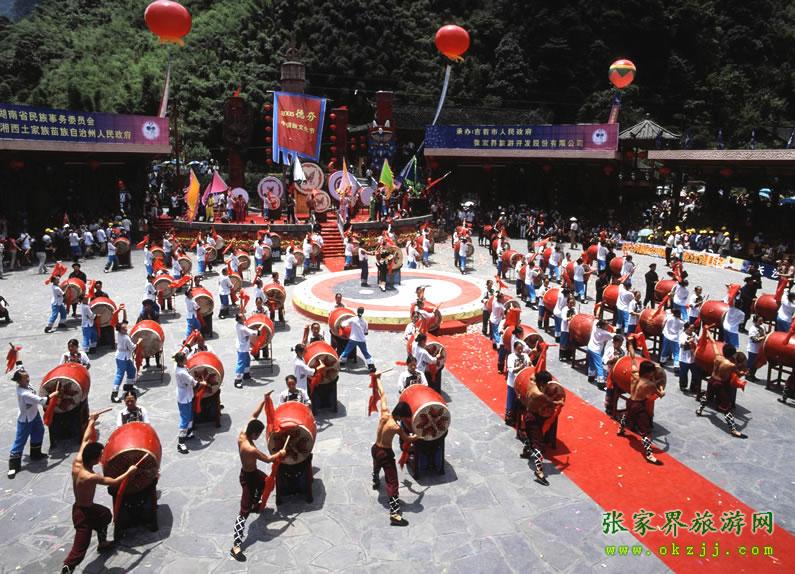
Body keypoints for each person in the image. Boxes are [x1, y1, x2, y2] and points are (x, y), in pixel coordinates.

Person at [61, 411, 139, 573]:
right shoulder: (90, 477)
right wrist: (129, 472)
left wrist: (92, 421)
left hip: (86, 507)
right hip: (83, 513)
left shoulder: (79, 459)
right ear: (93, 459)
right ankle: (68, 567)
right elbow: (114, 481)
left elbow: (86, 439)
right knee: (80, 547)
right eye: (100, 456)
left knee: (105, 515)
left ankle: (102, 543)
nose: (101, 458)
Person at [229, 392, 288, 561]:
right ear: (254, 433)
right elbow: (268, 459)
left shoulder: (243, 432)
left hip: (253, 473)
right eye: (259, 434)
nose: (259, 437)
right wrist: (280, 453)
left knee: (267, 483)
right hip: (247, 478)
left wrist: (264, 400)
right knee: (243, 511)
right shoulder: (250, 449)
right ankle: (235, 546)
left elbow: (254, 415)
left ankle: (255, 504)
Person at [370, 375, 417, 526]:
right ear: (401, 416)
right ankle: (395, 514)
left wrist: (377, 378)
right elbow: (408, 439)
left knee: (376, 464)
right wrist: (420, 435)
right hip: (385, 453)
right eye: (404, 418)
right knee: (392, 482)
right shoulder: (395, 427)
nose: (404, 420)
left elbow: (382, 393)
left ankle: (375, 479)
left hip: (375, 448)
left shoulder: (385, 413)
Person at [7, 364, 58, 479]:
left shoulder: (25, 384)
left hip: (34, 415)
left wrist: (17, 358)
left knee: (39, 431)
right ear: (19, 381)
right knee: (20, 440)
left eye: (28, 377)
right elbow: (42, 401)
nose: (28, 379)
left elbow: (20, 367)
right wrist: (54, 394)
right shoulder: (24, 393)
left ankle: (35, 454)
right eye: (26, 378)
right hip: (25, 420)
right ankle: (13, 466)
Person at [519, 370, 564, 485]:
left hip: (532, 416)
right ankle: (539, 472)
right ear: (542, 383)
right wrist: (560, 402)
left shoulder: (533, 382)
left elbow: (534, 375)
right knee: (538, 444)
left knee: (532, 436)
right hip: (532, 419)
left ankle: (525, 451)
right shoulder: (538, 394)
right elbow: (551, 401)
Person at [617, 359, 666, 465]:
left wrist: (630, 346)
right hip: (638, 406)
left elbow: (633, 358)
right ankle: (649, 455)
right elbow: (660, 394)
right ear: (649, 373)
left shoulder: (634, 374)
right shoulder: (650, 384)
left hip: (630, 401)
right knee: (646, 431)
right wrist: (662, 389)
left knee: (628, 414)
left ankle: (620, 429)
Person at [696, 341, 748, 438]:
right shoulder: (731, 365)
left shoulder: (717, 357)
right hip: (719, 385)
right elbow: (739, 373)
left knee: (708, 397)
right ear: (733, 354)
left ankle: (699, 410)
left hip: (711, 381)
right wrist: (744, 373)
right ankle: (733, 430)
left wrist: (710, 337)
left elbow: (714, 345)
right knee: (726, 406)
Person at [174, 352, 207, 453]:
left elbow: (186, 352)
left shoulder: (178, 366)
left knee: (190, 415)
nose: (186, 359)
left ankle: (188, 432)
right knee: (185, 419)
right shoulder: (182, 373)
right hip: (184, 397)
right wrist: (203, 383)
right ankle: (181, 443)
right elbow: (195, 384)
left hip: (187, 394)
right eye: (185, 358)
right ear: (182, 361)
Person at [339, 307, 376, 372]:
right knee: (365, 353)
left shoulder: (353, 319)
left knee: (346, 351)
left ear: (357, 311)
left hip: (353, 339)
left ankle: (340, 364)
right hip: (362, 340)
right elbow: (366, 333)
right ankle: (371, 366)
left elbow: (343, 324)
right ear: (363, 312)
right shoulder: (365, 321)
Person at [111, 319, 138, 403]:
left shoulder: (119, 334)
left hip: (125, 357)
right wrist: (138, 343)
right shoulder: (126, 338)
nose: (126, 329)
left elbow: (125, 323)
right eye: (124, 328)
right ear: (120, 330)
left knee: (132, 370)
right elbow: (132, 348)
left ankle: (128, 386)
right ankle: (114, 394)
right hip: (122, 358)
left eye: (125, 327)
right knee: (120, 374)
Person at [505, 340, 530, 425]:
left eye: (521, 349)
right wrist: (520, 367)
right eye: (518, 349)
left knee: (519, 402)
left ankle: (517, 418)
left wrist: (529, 364)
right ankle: (509, 418)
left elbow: (529, 365)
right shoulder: (511, 357)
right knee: (511, 401)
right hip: (513, 383)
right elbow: (511, 370)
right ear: (514, 348)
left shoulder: (525, 356)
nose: (520, 351)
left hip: (522, 383)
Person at [234, 313, 259, 388]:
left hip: (242, 346)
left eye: (243, 316)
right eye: (242, 317)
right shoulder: (242, 328)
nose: (244, 317)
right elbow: (252, 333)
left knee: (247, 360)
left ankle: (246, 374)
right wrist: (258, 331)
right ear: (239, 319)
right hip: (242, 348)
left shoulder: (238, 324)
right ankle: (237, 380)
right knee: (241, 363)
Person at [587, 319, 613, 389]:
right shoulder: (605, 333)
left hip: (589, 348)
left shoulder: (595, 327)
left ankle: (591, 377)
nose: (607, 326)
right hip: (596, 351)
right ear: (603, 326)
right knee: (599, 366)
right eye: (606, 325)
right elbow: (614, 336)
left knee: (592, 364)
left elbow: (595, 320)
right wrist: (614, 330)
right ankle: (600, 383)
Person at [746, 314, 766, 382]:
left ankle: (752, 375)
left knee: (756, 364)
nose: (761, 322)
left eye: (762, 321)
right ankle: (748, 375)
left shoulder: (762, 327)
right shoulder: (752, 329)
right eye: (759, 321)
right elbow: (754, 340)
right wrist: (763, 337)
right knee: (751, 364)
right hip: (753, 349)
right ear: (755, 321)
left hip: (759, 349)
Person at [678, 324, 697, 392]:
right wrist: (689, 342)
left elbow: (698, 342)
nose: (692, 330)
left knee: (695, 374)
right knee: (683, 374)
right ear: (686, 328)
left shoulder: (694, 334)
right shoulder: (682, 335)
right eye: (691, 328)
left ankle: (693, 387)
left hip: (693, 359)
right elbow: (682, 345)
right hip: (684, 359)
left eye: (693, 328)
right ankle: (683, 386)